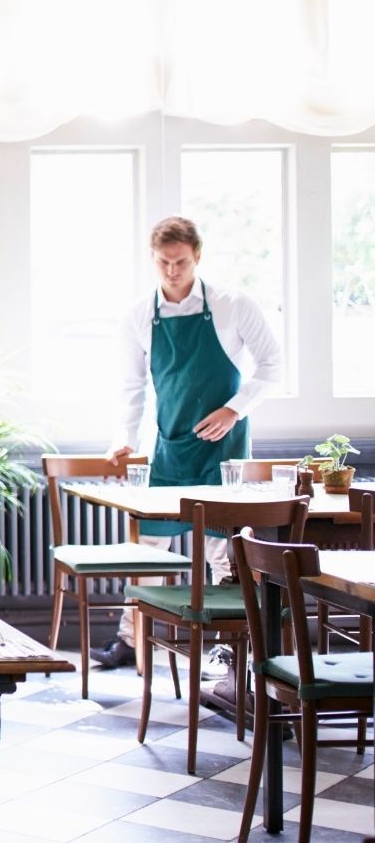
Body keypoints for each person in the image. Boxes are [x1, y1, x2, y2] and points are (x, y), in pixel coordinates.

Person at [94, 215, 285, 669]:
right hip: (172, 443)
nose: (172, 271)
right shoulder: (140, 316)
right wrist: (124, 438)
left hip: (223, 449)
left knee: (225, 547)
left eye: (181, 262)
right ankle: (129, 639)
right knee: (147, 549)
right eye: (164, 262)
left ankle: (231, 643)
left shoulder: (233, 304)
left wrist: (233, 409)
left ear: (197, 256)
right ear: (153, 260)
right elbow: (131, 388)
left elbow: (272, 366)